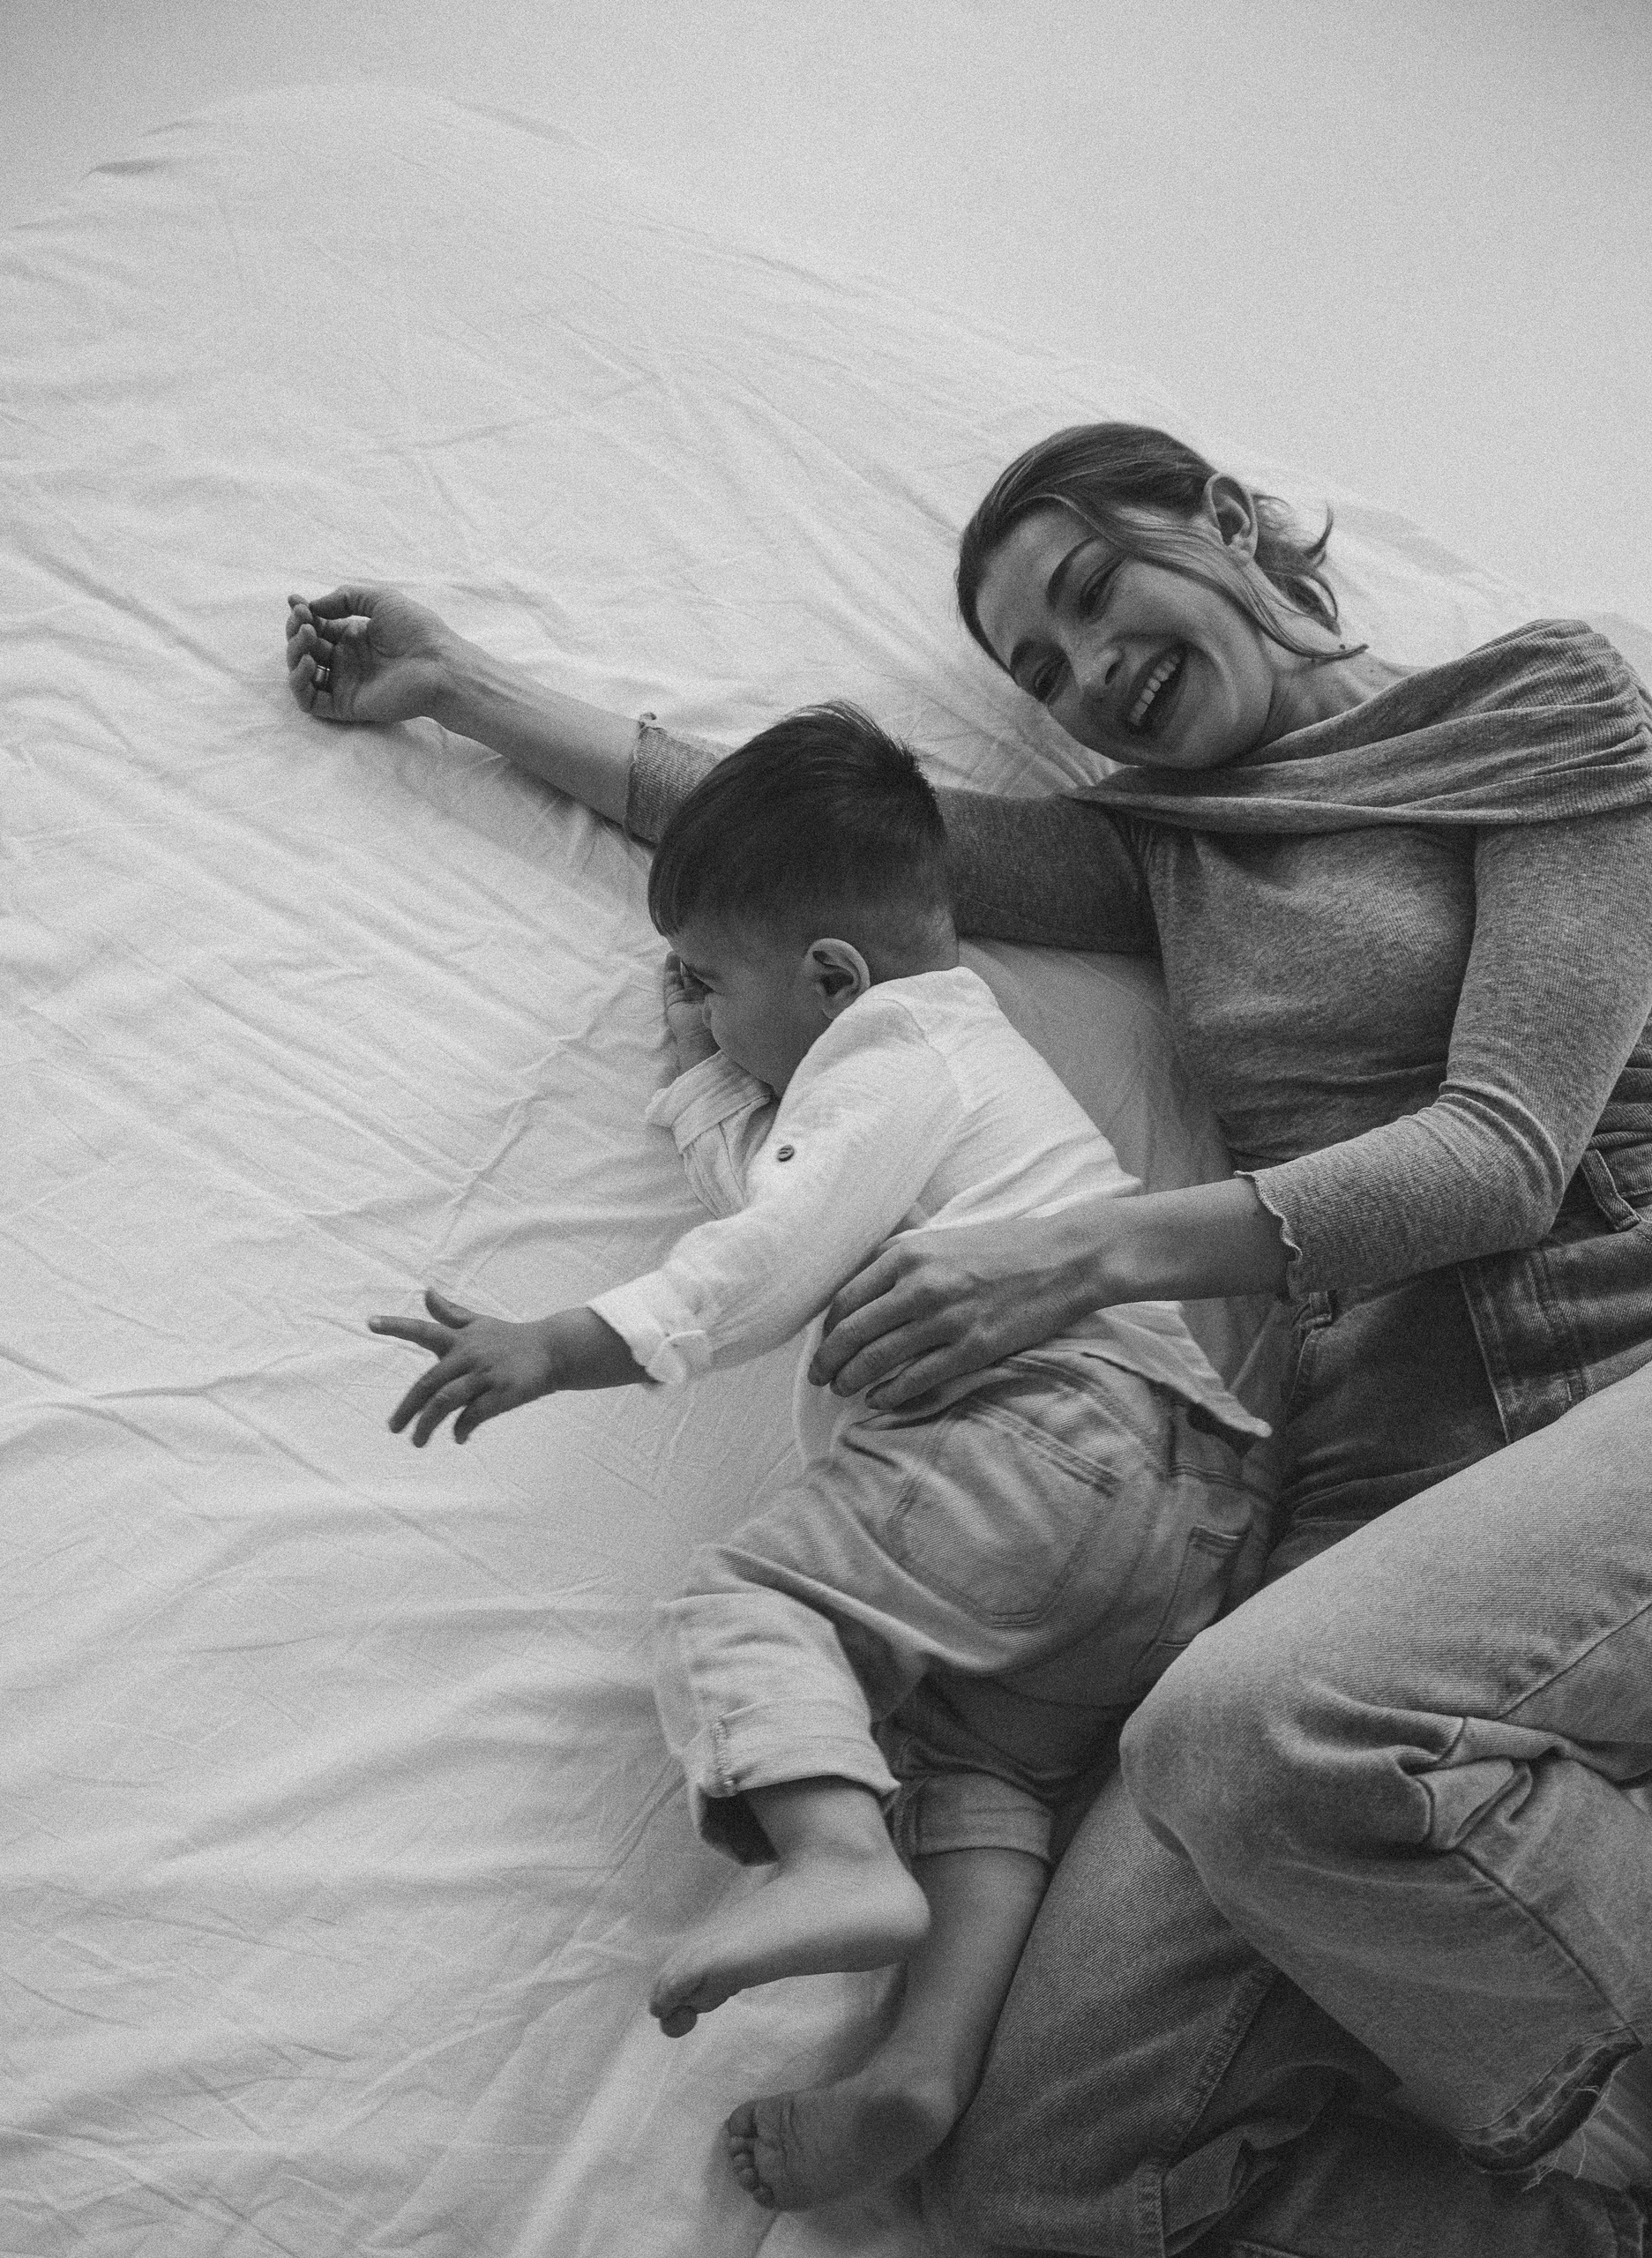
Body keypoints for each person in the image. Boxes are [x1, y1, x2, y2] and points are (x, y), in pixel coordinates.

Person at [284, 416, 1652, 2254]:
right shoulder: (1171, 852)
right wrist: (459, 686)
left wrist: (1077, 1257)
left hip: (1612, 1384)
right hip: (1373, 1502)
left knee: (1248, 1730)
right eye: (1043, 673)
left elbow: (1500, 1153)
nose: (1091, 672)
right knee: (1052, 2175)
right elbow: (819, 860)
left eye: (1092, 591)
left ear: (1227, 521)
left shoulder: (1542, 703)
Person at [367, 703, 1274, 2214]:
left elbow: (770, 1255)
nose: (698, 1007)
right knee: (982, 1776)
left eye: (711, 983)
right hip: (1173, 1516)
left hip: (1044, 1434)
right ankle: (920, 2068)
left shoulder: (893, 1050)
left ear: (835, 980)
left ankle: (835, 1858)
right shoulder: (933, 1069)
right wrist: (709, 1079)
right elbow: (801, 1195)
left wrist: (563, 1343)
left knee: (741, 1609)